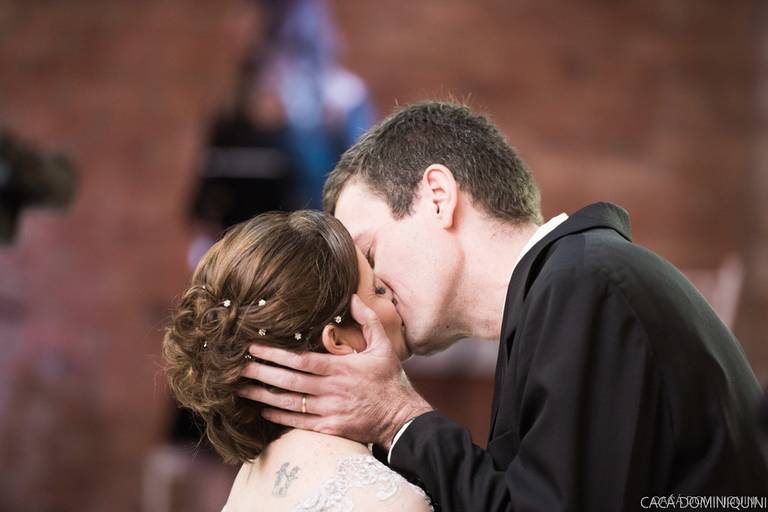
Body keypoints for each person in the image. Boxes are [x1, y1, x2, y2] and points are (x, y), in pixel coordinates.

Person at [239, 101, 768, 511]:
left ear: (438, 197)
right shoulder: (564, 291)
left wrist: (398, 417)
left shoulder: (583, 286)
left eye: (370, 254)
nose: (370, 290)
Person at [162, 210, 433, 512]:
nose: (392, 296)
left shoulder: (248, 482)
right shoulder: (387, 499)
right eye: (377, 290)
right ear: (338, 341)